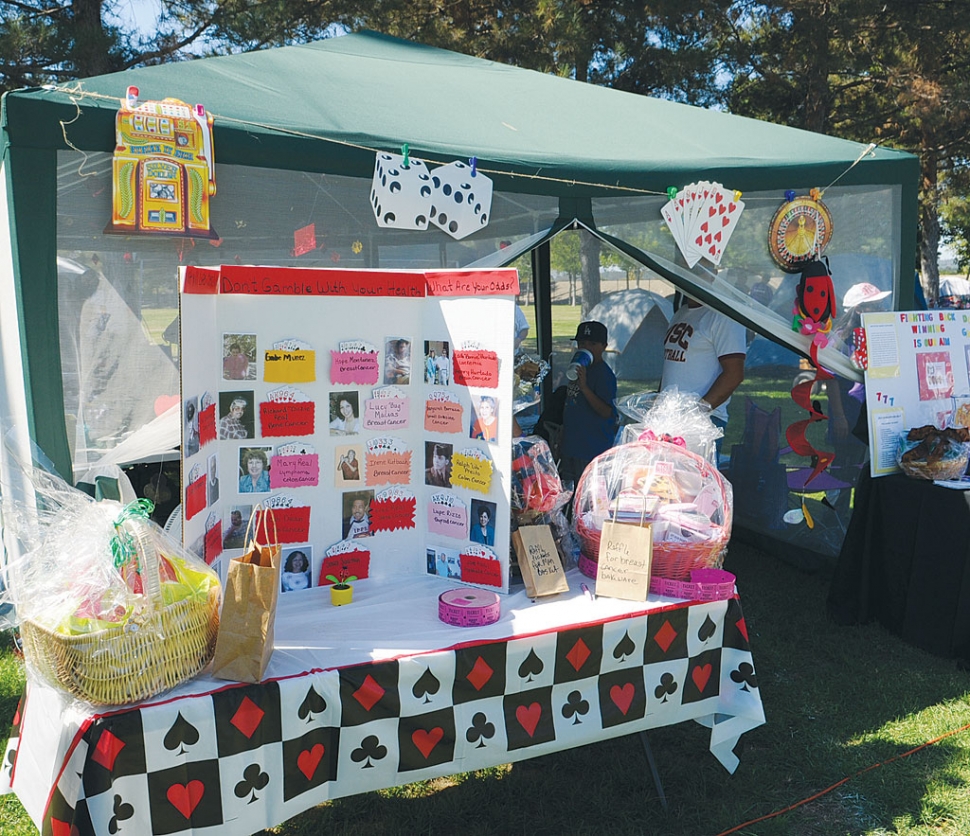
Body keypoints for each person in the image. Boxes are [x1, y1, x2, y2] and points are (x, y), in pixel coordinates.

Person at [660, 296, 746, 461]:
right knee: (667, 481)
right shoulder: (681, 313)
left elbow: (734, 374)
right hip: (668, 419)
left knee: (697, 482)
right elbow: (671, 366)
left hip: (703, 422)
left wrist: (697, 413)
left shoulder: (724, 316)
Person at [559, 321, 618, 486]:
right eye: (582, 343)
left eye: (592, 344)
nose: (586, 347)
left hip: (591, 447)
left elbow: (607, 412)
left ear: (604, 346)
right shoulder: (577, 368)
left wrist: (584, 387)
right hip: (571, 444)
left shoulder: (604, 375)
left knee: (586, 493)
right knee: (568, 490)